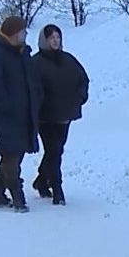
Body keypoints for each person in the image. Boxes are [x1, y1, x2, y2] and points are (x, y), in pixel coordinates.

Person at [0, 15, 43, 212]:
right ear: (13, 34)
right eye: (22, 32)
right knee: (12, 154)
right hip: (6, 114)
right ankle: (18, 197)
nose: (25, 35)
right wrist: (7, 106)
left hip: (23, 112)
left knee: (14, 152)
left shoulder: (21, 52)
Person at [31, 24, 90, 206]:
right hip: (45, 117)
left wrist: (80, 97)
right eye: (51, 38)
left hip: (65, 115)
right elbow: (32, 89)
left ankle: (41, 181)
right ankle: (58, 190)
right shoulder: (35, 63)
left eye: (58, 37)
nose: (55, 41)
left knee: (56, 150)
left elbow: (83, 80)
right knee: (54, 151)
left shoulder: (69, 60)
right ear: (44, 40)